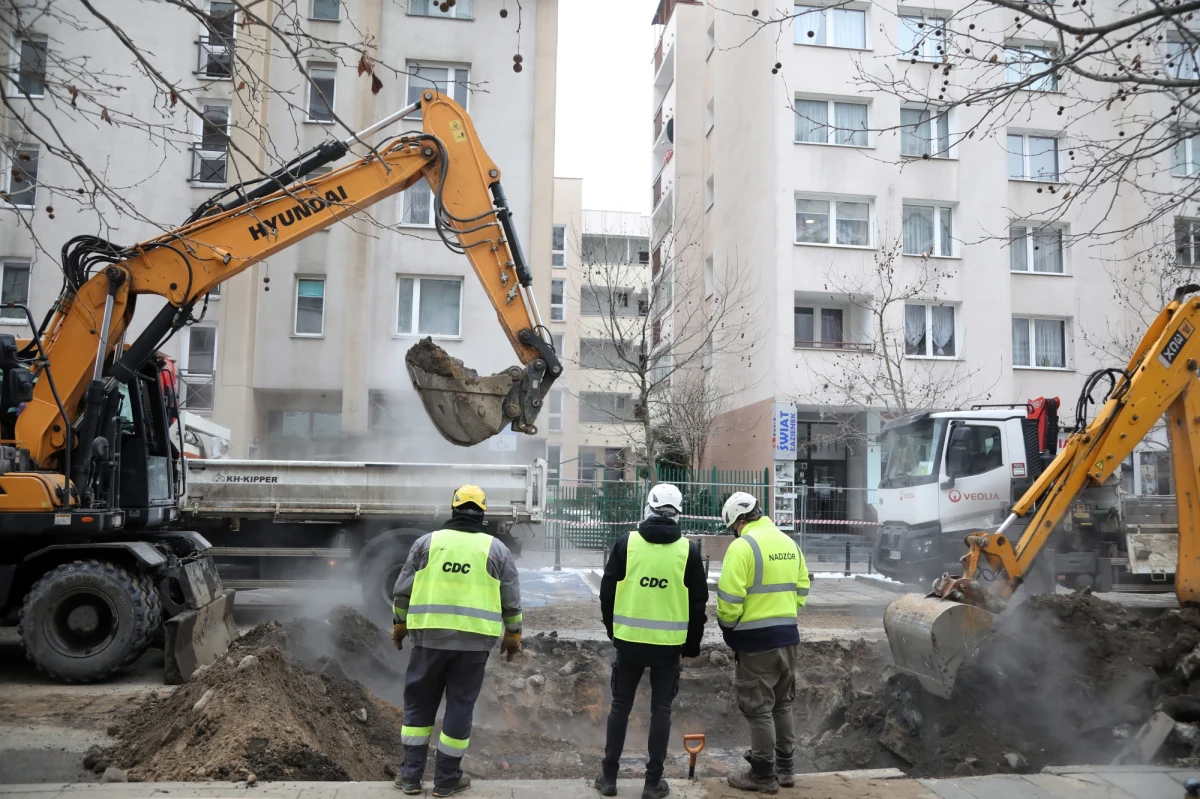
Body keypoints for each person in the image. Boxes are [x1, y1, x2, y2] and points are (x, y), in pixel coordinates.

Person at [391, 485, 523, 797]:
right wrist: (513, 633)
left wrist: (399, 625)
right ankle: (446, 780)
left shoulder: (426, 544)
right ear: (483, 512)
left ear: (453, 509)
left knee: (419, 705)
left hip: (428, 641)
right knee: (460, 707)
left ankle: (410, 777)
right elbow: (512, 600)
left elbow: (402, 591)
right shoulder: (496, 550)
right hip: (474, 645)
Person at [594, 483, 709, 799]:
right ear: (678, 513)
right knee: (661, 711)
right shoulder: (688, 550)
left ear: (648, 507)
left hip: (629, 643)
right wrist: (692, 644)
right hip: (668, 647)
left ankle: (608, 779)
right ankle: (652, 782)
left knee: (619, 707)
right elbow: (698, 604)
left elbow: (607, 593)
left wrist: (612, 630)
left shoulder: (625, 544)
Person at [717, 492, 810, 794]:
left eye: (734, 526)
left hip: (756, 643)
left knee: (758, 710)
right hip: (788, 639)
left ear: (740, 521)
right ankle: (786, 770)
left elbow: (729, 600)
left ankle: (762, 775)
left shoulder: (742, 546)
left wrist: (731, 631)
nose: (735, 531)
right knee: (782, 705)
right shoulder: (789, 543)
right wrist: (787, 614)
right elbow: (803, 586)